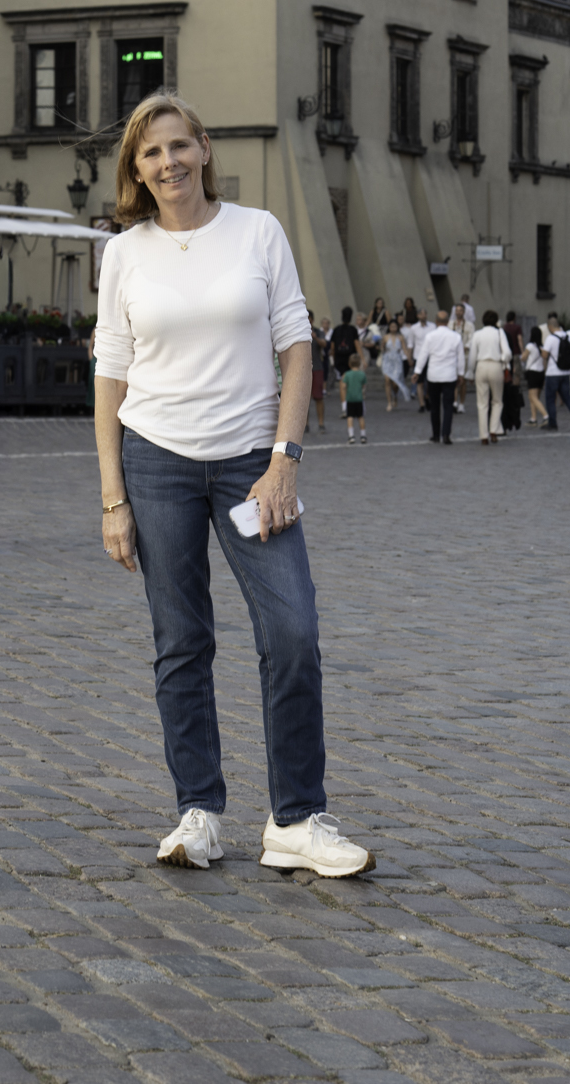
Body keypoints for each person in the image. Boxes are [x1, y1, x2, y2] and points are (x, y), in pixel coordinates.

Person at [92, 92, 375, 879]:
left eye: (179, 146)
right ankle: (199, 812)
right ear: (136, 169)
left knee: (292, 630)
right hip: (156, 462)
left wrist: (285, 456)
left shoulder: (258, 231)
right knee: (181, 640)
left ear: (205, 147)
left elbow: (295, 343)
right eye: (151, 153)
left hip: (253, 463)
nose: (168, 162)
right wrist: (113, 495)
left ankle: (295, 820)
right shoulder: (125, 252)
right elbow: (109, 377)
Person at [418, 309, 464, 444]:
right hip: (449, 375)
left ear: (436, 321)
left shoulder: (430, 336)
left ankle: (436, 434)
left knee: (435, 406)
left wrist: (417, 371)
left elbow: (423, 355)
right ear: (448, 322)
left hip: (433, 375)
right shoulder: (456, 336)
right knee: (448, 406)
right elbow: (460, 357)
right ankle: (446, 434)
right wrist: (460, 373)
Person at [469, 310, 510, 444]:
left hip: (481, 366)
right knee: (497, 401)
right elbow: (507, 353)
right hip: (495, 366)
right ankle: (494, 430)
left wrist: (470, 372)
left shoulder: (477, 334)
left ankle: (483, 435)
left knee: (482, 403)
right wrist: (503, 359)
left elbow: (472, 356)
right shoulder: (499, 333)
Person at [328, 308, 359, 413]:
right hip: (351, 358)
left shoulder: (336, 330)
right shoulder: (353, 330)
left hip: (339, 358)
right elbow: (357, 345)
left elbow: (332, 347)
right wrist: (362, 359)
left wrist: (333, 357)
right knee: (351, 381)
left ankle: (344, 405)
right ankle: (351, 404)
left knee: (342, 381)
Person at [521, 317, 549, 427]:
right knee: (534, 397)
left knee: (533, 397)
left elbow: (523, 358)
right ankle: (533, 419)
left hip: (532, 373)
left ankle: (546, 416)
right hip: (541, 373)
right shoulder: (542, 347)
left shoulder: (530, 346)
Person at [377, 318, 407, 411]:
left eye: (394, 326)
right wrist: (380, 347)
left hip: (397, 360)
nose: (393, 328)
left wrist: (408, 358)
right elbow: (382, 348)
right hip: (387, 359)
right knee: (387, 381)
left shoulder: (401, 337)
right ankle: (389, 402)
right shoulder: (385, 337)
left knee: (395, 383)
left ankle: (395, 396)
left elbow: (404, 348)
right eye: (391, 326)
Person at [307, 315, 329, 434]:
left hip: (317, 368)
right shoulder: (298, 331)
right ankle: (305, 424)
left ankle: (321, 423)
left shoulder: (318, 332)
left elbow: (324, 345)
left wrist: (315, 337)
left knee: (319, 397)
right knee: (304, 399)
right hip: (304, 370)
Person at [342, 359, 367, 444]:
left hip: (350, 398)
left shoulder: (347, 374)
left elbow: (344, 386)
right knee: (361, 417)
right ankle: (363, 435)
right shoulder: (362, 374)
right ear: (359, 364)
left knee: (350, 417)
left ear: (349, 364)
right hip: (359, 398)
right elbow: (363, 385)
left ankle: (351, 436)